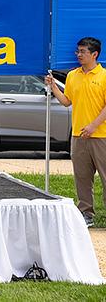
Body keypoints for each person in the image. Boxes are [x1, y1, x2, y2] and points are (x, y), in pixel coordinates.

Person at [46, 36, 106, 227]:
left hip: (101, 136)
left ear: (94, 54)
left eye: (83, 52)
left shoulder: (104, 76)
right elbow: (66, 102)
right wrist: (53, 86)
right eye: (77, 51)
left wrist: (93, 125)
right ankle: (86, 213)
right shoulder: (73, 75)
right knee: (82, 177)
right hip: (78, 137)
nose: (78, 55)